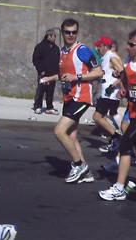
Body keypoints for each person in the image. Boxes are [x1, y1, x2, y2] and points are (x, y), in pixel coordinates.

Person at [40, 18, 102, 183]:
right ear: (62, 33)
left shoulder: (82, 50)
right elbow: (64, 75)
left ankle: (79, 164)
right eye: (67, 32)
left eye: (74, 32)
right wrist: (50, 78)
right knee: (72, 136)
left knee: (59, 131)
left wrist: (78, 76)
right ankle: (86, 173)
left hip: (81, 98)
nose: (71, 35)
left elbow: (98, 72)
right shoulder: (62, 51)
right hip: (69, 97)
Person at [98, 28, 136, 201]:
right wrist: (123, 88)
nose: (127, 47)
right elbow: (125, 76)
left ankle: (119, 188)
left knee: (125, 145)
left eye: (131, 44)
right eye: (128, 43)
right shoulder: (128, 60)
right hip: (133, 109)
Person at [93, 36, 124, 153]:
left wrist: (113, 85)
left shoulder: (111, 57)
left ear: (106, 46)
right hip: (105, 93)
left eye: (99, 46)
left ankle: (117, 137)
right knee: (103, 119)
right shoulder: (106, 57)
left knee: (97, 117)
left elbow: (123, 72)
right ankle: (113, 141)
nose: (97, 48)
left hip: (110, 94)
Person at [32, 28, 60, 115]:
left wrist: (57, 72)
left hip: (53, 74)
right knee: (41, 90)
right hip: (43, 74)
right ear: (48, 36)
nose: (54, 38)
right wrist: (41, 71)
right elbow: (35, 59)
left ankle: (49, 107)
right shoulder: (40, 47)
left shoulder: (56, 48)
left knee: (50, 92)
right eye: (53, 36)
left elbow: (58, 60)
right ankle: (37, 106)